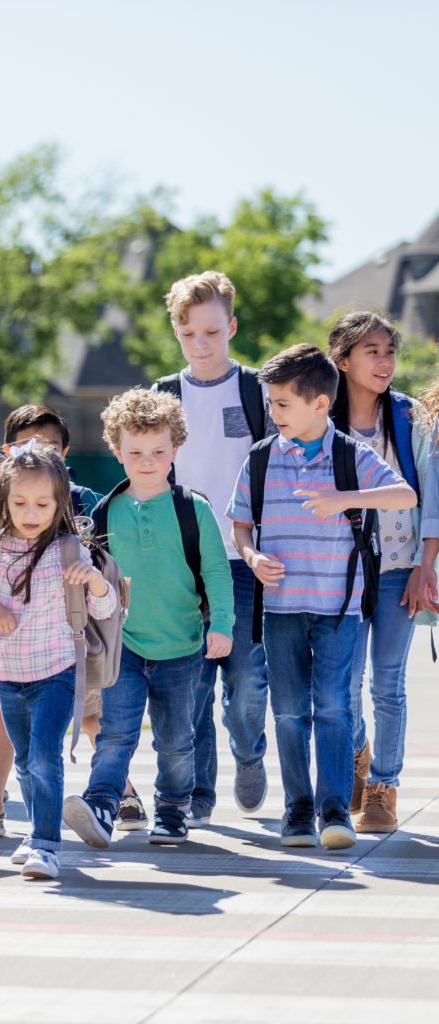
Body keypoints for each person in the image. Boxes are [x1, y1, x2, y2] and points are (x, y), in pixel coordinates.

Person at [228, 344, 416, 850]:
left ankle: (335, 811)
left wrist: (345, 499)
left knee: (335, 708)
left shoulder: (353, 455)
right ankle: (298, 810)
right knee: (289, 712)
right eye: (271, 403)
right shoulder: (262, 457)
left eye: (283, 404)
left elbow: (406, 495)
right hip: (281, 611)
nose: (273, 413)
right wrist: (251, 558)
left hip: (340, 609)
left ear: (318, 404)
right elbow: (240, 526)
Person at [62, 389, 234, 849]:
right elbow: (94, 576)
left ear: (176, 450)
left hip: (182, 647)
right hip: (125, 648)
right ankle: (101, 803)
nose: (147, 461)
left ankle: (173, 810)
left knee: (176, 740)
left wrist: (222, 624)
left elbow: (216, 571)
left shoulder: (193, 509)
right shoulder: (105, 512)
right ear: (117, 452)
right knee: (115, 733)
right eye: (135, 452)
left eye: (158, 451)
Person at [0, 405, 127, 839]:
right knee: (31, 761)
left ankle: (47, 844)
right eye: (20, 503)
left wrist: (97, 585)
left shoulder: (68, 549)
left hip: (57, 671)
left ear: (59, 500)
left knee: (45, 756)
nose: (31, 512)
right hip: (7, 675)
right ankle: (36, 831)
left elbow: (104, 612)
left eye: (42, 504)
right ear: (4, 498)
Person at [151, 271, 274, 827]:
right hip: (184, 564)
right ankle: (198, 792)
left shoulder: (256, 392)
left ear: (231, 327)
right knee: (191, 686)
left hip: (245, 559)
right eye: (188, 333)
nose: (200, 343)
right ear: (176, 333)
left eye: (211, 331)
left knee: (247, 683)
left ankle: (249, 753)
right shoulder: (163, 396)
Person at [328, 312, 433, 833]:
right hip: (342, 573)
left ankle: (383, 789)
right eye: (371, 351)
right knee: (344, 684)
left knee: (389, 683)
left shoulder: (410, 417)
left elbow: (432, 496)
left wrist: (426, 566)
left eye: (389, 351)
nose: (385, 361)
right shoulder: (324, 419)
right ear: (343, 360)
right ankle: (357, 756)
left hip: (399, 570)